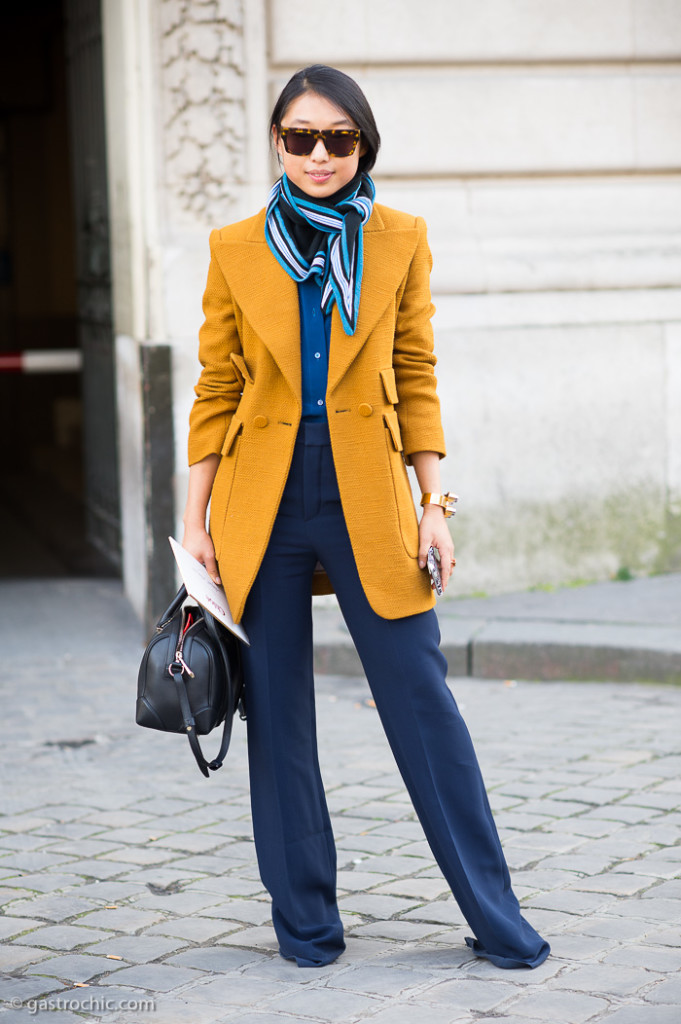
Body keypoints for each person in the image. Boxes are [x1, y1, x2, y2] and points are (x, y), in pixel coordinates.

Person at [182, 64, 549, 971]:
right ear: (277, 143)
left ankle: (496, 919)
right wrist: (194, 528)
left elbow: (417, 376)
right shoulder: (234, 248)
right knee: (276, 715)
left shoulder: (399, 239)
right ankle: (305, 928)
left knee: (422, 704)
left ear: (362, 146)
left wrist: (435, 506)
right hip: (259, 502)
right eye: (300, 137)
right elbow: (216, 391)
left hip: (369, 496)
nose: (317, 154)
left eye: (337, 139)